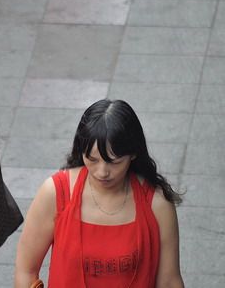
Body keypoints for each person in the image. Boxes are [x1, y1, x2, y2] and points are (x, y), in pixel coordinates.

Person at [14, 99, 184, 288]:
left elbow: (169, 281)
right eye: (92, 159)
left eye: (114, 161)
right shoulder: (56, 193)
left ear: (133, 153)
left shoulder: (157, 203)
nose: (102, 172)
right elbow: (25, 270)